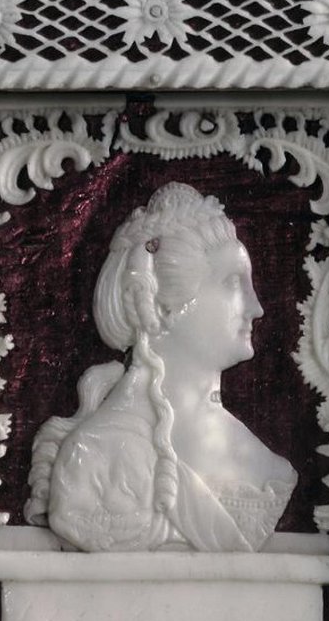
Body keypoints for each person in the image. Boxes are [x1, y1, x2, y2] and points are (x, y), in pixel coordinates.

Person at [24, 182, 297, 552]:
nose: (256, 307)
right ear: (164, 304)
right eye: (233, 282)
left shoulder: (267, 469)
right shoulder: (92, 460)